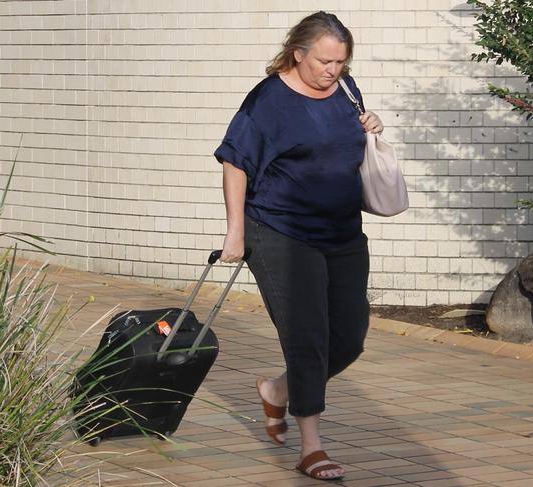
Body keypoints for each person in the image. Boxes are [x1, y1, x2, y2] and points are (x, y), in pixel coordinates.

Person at [214, 11, 384, 481]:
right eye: (325, 61)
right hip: (280, 232)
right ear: (298, 53)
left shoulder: (347, 91)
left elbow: (344, 142)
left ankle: (276, 391)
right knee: (308, 337)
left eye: (341, 62)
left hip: (342, 232)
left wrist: (370, 124)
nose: (333, 70)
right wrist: (236, 231)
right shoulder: (269, 100)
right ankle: (312, 448)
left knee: (348, 339)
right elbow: (235, 162)